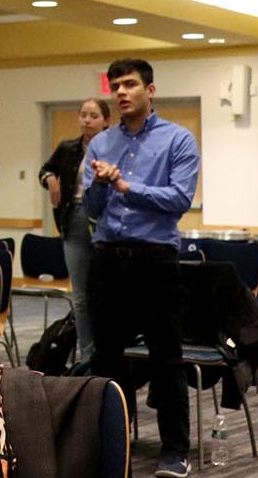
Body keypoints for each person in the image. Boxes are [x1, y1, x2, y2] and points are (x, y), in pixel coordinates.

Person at [83, 58, 198, 478]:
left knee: (166, 358)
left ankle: (175, 451)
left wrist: (126, 186)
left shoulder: (178, 140)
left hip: (155, 260)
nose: (121, 92)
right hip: (107, 259)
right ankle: (109, 444)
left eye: (130, 84)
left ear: (150, 90)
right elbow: (91, 209)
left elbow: (178, 200)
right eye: (115, 86)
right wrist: (99, 185)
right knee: (106, 358)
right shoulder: (101, 144)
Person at [39, 97, 111, 362]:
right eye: (83, 115)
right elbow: (44, 169)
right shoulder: (68, 148)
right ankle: (86, 355)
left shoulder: (113, 146)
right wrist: (50, 180)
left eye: (93, 115)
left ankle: (108, 353)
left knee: (103, 293)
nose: (87, 120)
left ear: (106, 121)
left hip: (104, 221)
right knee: (79, 295)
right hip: (74, 218)